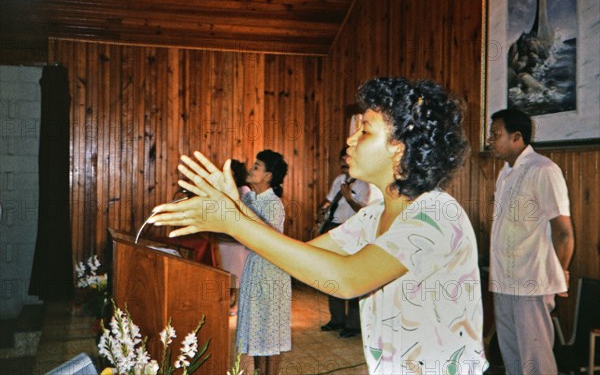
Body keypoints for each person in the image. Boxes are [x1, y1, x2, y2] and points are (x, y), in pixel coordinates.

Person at [150, 77, 488, 374]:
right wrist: (235, 209)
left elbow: (346, 279)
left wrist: (236, 221)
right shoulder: (373, 215)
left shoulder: (436, 214)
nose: (352, 140)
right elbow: (301, 258)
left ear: (400, 149)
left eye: (365, 130)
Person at [487, 108, 574, 375]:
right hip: (504, 282)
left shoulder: (544, 169)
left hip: (532, 282)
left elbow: (563, 231)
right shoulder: (505, 173)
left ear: (517, 137)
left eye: (495, 134)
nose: (490, 140)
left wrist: (559, 271)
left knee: (535, 362)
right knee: (512, 358)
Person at [236, 150, 290, 375]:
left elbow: (264, 241)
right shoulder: (248, 198)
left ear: (268, 176)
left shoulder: (273, 204)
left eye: (257, 166)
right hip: (254, 268)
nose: (251, 168)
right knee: (257, 331)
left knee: (270, 332)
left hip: (271, 272)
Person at [317, 147, 370, 338]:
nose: (343, 161)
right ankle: (336, 319)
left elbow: (365, 212)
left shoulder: (366, 184)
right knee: (332, 275)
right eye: (342, 158)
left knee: (351, 276)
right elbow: (329, 200)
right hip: (334, 228)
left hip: (355, 232)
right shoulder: (339, 180)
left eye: (346, 157)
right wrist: (321, 210)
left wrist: (349, 197)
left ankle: (353, 324)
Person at [218, 159, 251, 314]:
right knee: (228, 271)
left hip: (236, 239)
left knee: (237, 272)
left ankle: (238, 304)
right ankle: (230, 301)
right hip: (224, 236)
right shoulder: (225, 189)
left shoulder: (243, 190)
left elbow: (241, 211)